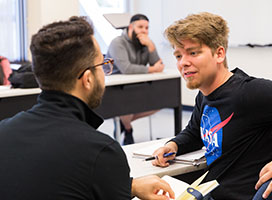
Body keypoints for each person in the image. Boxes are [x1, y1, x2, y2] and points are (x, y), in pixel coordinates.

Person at [0, 16, 174, 200]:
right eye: (102, 65)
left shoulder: (3, 132)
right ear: (88, 79)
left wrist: (130, 186)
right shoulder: (100, 152)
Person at [151, 12, 272, 200]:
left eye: (193, 53)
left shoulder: (248, 93)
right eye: (179, 55)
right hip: (210, 191)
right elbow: (194, 132)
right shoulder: (205, 94)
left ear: (219, 54)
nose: (183, 63)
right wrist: (173, 145)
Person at [106, 14, 164, 145]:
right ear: (131, 27)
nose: (144, 30)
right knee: (126, 106)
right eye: (140, 27)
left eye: (147, 27)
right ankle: (128, 128)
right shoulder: (117, 42)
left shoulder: (145, 43)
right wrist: (152, 69)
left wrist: (151, 46)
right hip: (116, 89)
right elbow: (126, 69)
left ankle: (124, 122)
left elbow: (158, 64)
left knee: (162, 102)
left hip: (137, 85)